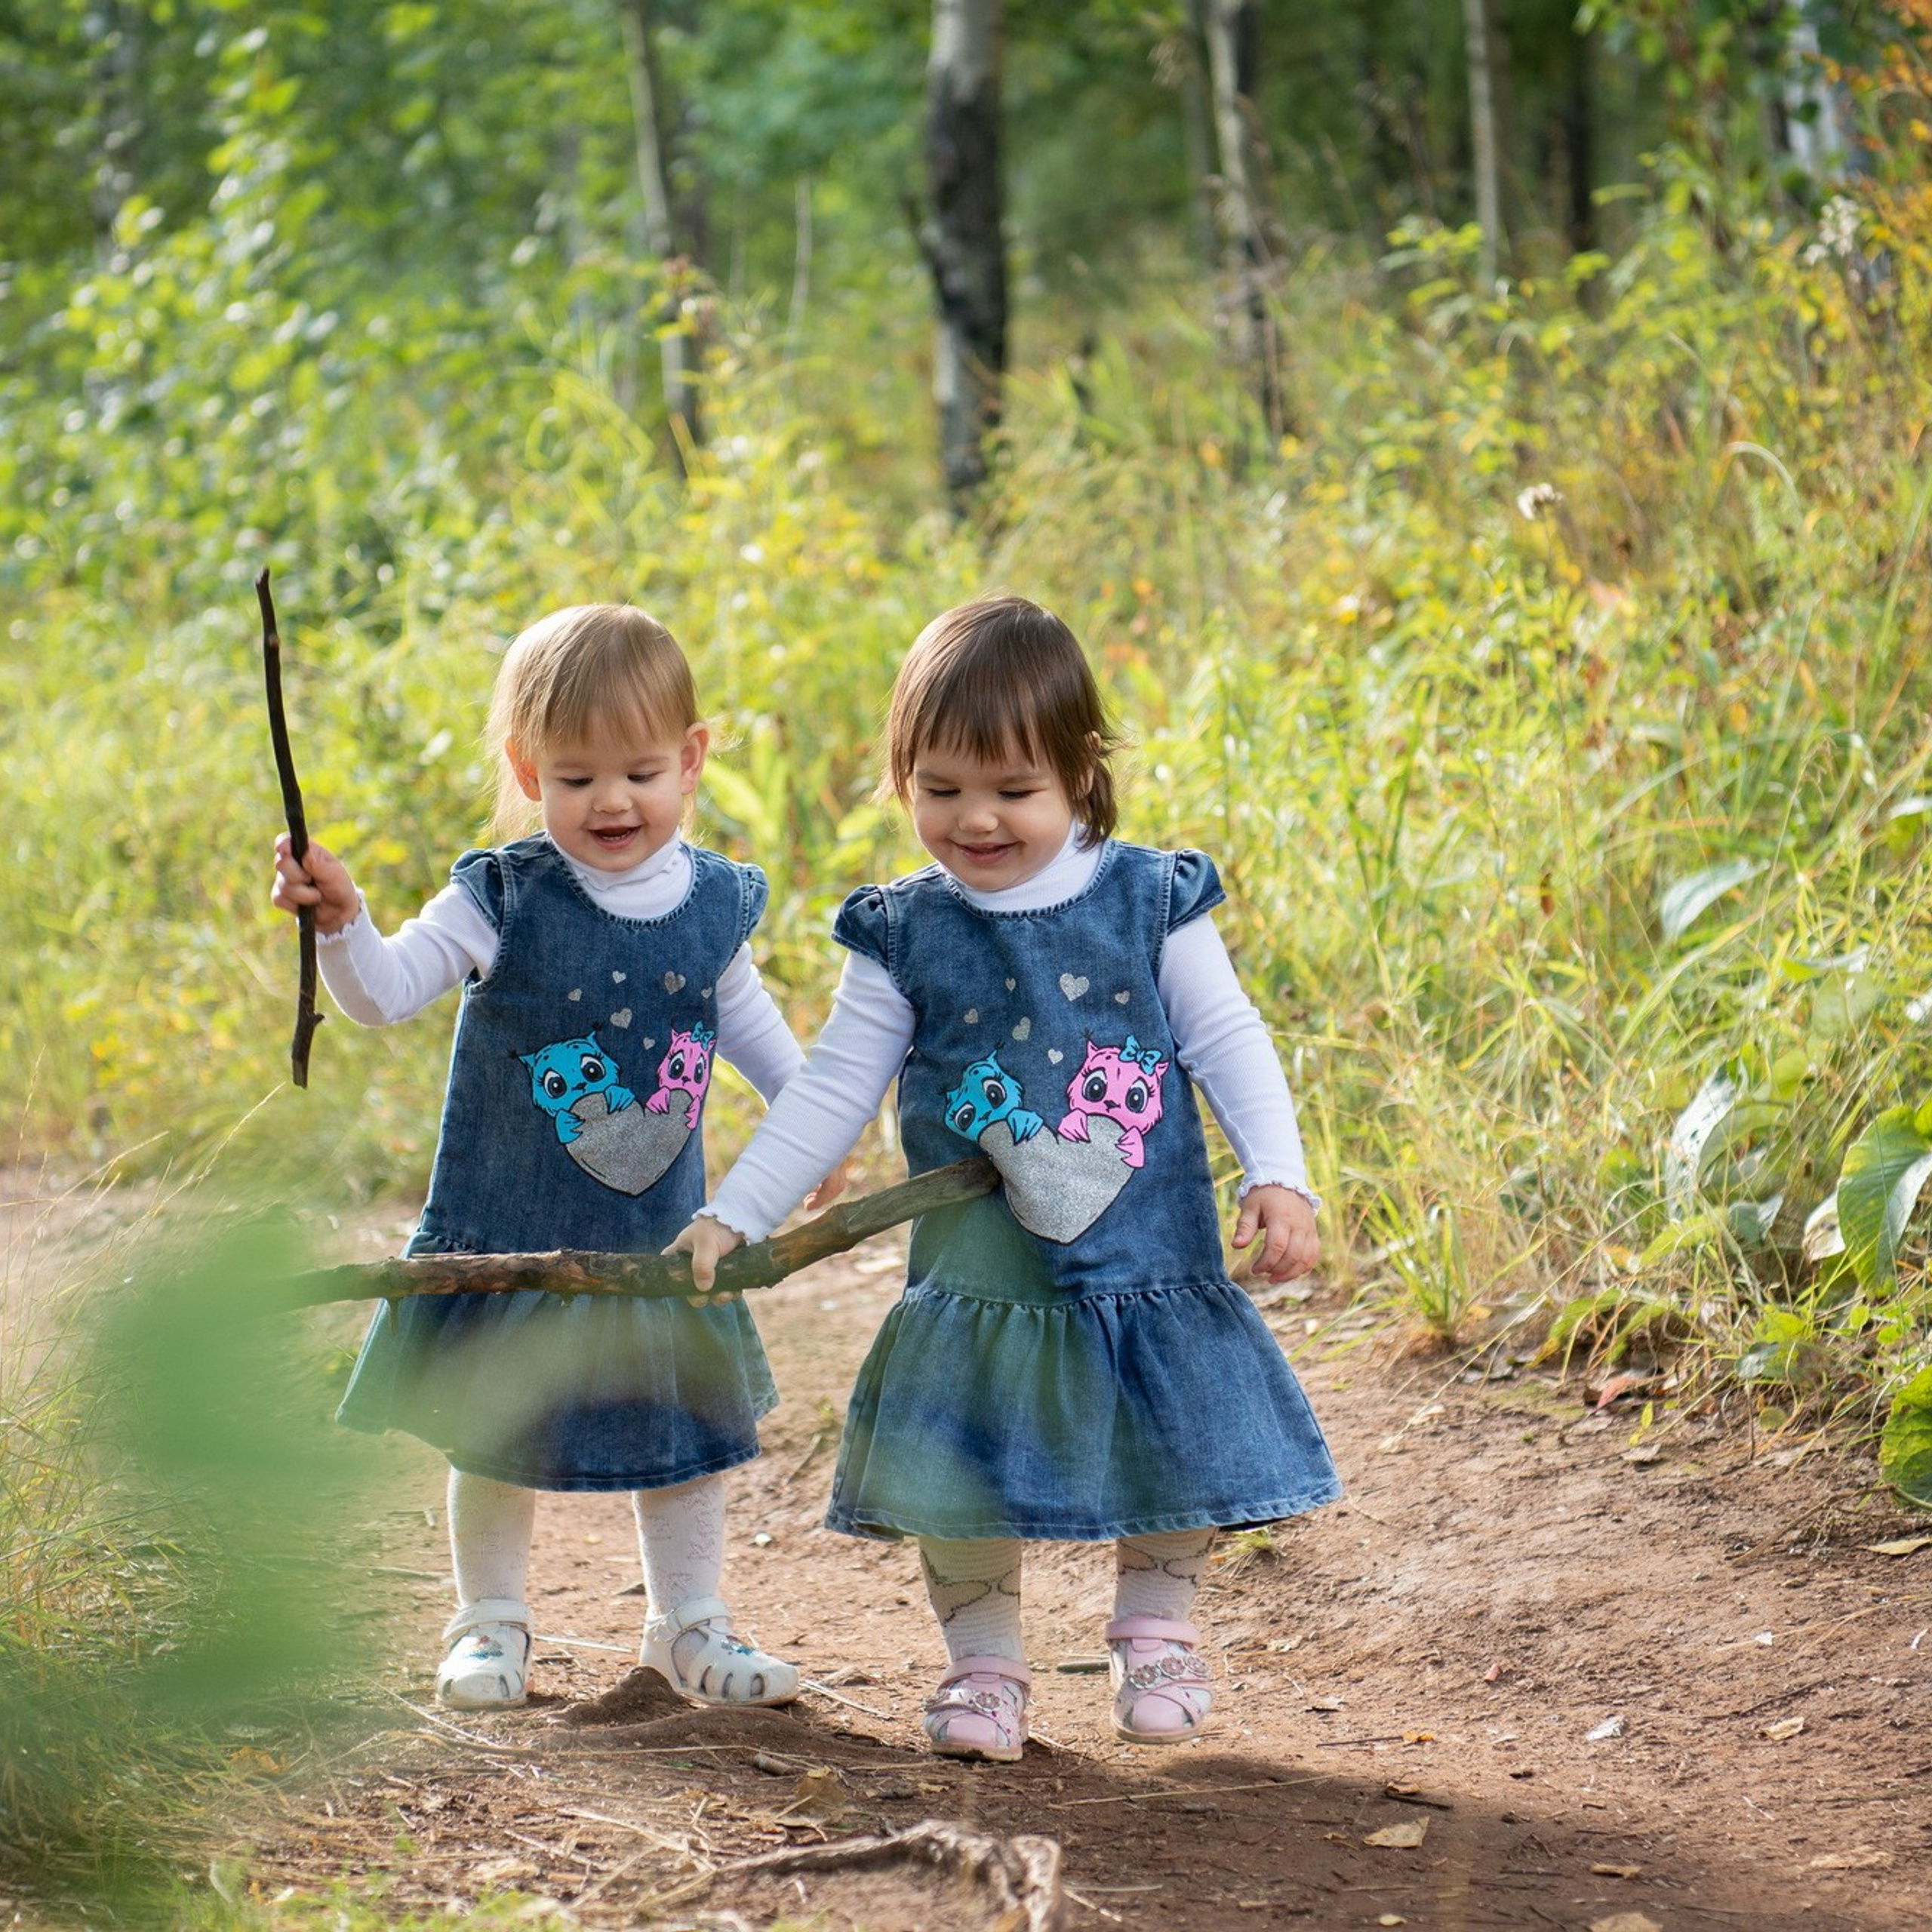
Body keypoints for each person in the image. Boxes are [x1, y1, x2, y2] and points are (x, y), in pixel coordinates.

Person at [672, 594, 1340, 1761]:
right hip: (983, 1280)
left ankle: (1158, 1632)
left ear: (1081, 774)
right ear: (903, 778)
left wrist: (1277, 1175)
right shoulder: (905, 932)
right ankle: (983, 1667)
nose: (976, 821)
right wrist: (737, 1208)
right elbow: (833, 1087)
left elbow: (1228, 1039)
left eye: (1012, 792)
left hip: (1147, 1262)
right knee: (965, 1475)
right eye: (941, 791)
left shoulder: (1151, 899)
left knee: (1169, 1439)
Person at [271, 603, 841, 1712]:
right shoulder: (503, 895)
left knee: (684, 1446)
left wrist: (811, 1138)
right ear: (530, 771)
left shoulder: (713, 906)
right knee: (491, 1438)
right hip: (509, 1237)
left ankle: (688, 1625)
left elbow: (773, 1053)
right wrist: (342, 923)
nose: (613, 802)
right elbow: (385, 995)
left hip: (655, 1249)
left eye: (639, 772)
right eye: (577, 778)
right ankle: (489, 1624)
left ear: (691, 759)